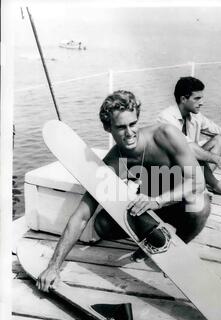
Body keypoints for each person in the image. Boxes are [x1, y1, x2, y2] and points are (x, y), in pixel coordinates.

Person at [37, 90, 211, 292]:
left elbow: (198, 182)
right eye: (121, 127)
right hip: (150, 209)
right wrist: (53, 267)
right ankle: (151, 241)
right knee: (102, 225)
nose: (129, 133)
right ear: (107, 128)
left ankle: (176, 245)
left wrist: (158, 201)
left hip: (179, 203)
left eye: (133, 124)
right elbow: (82, 216)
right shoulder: (112, 163)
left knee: (200, 205)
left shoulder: (165, 135)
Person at [157, 76, 221, 197]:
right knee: (191, 151)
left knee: (219, 139)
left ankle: (203, 182)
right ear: (183, 99)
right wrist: (217, 159)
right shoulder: (166, 118)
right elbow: (186, 148)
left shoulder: (195, 116)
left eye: (201, 98)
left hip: (191, 168)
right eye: (197, 98)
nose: (201, 103)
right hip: (170, 172)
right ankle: (214, 184)